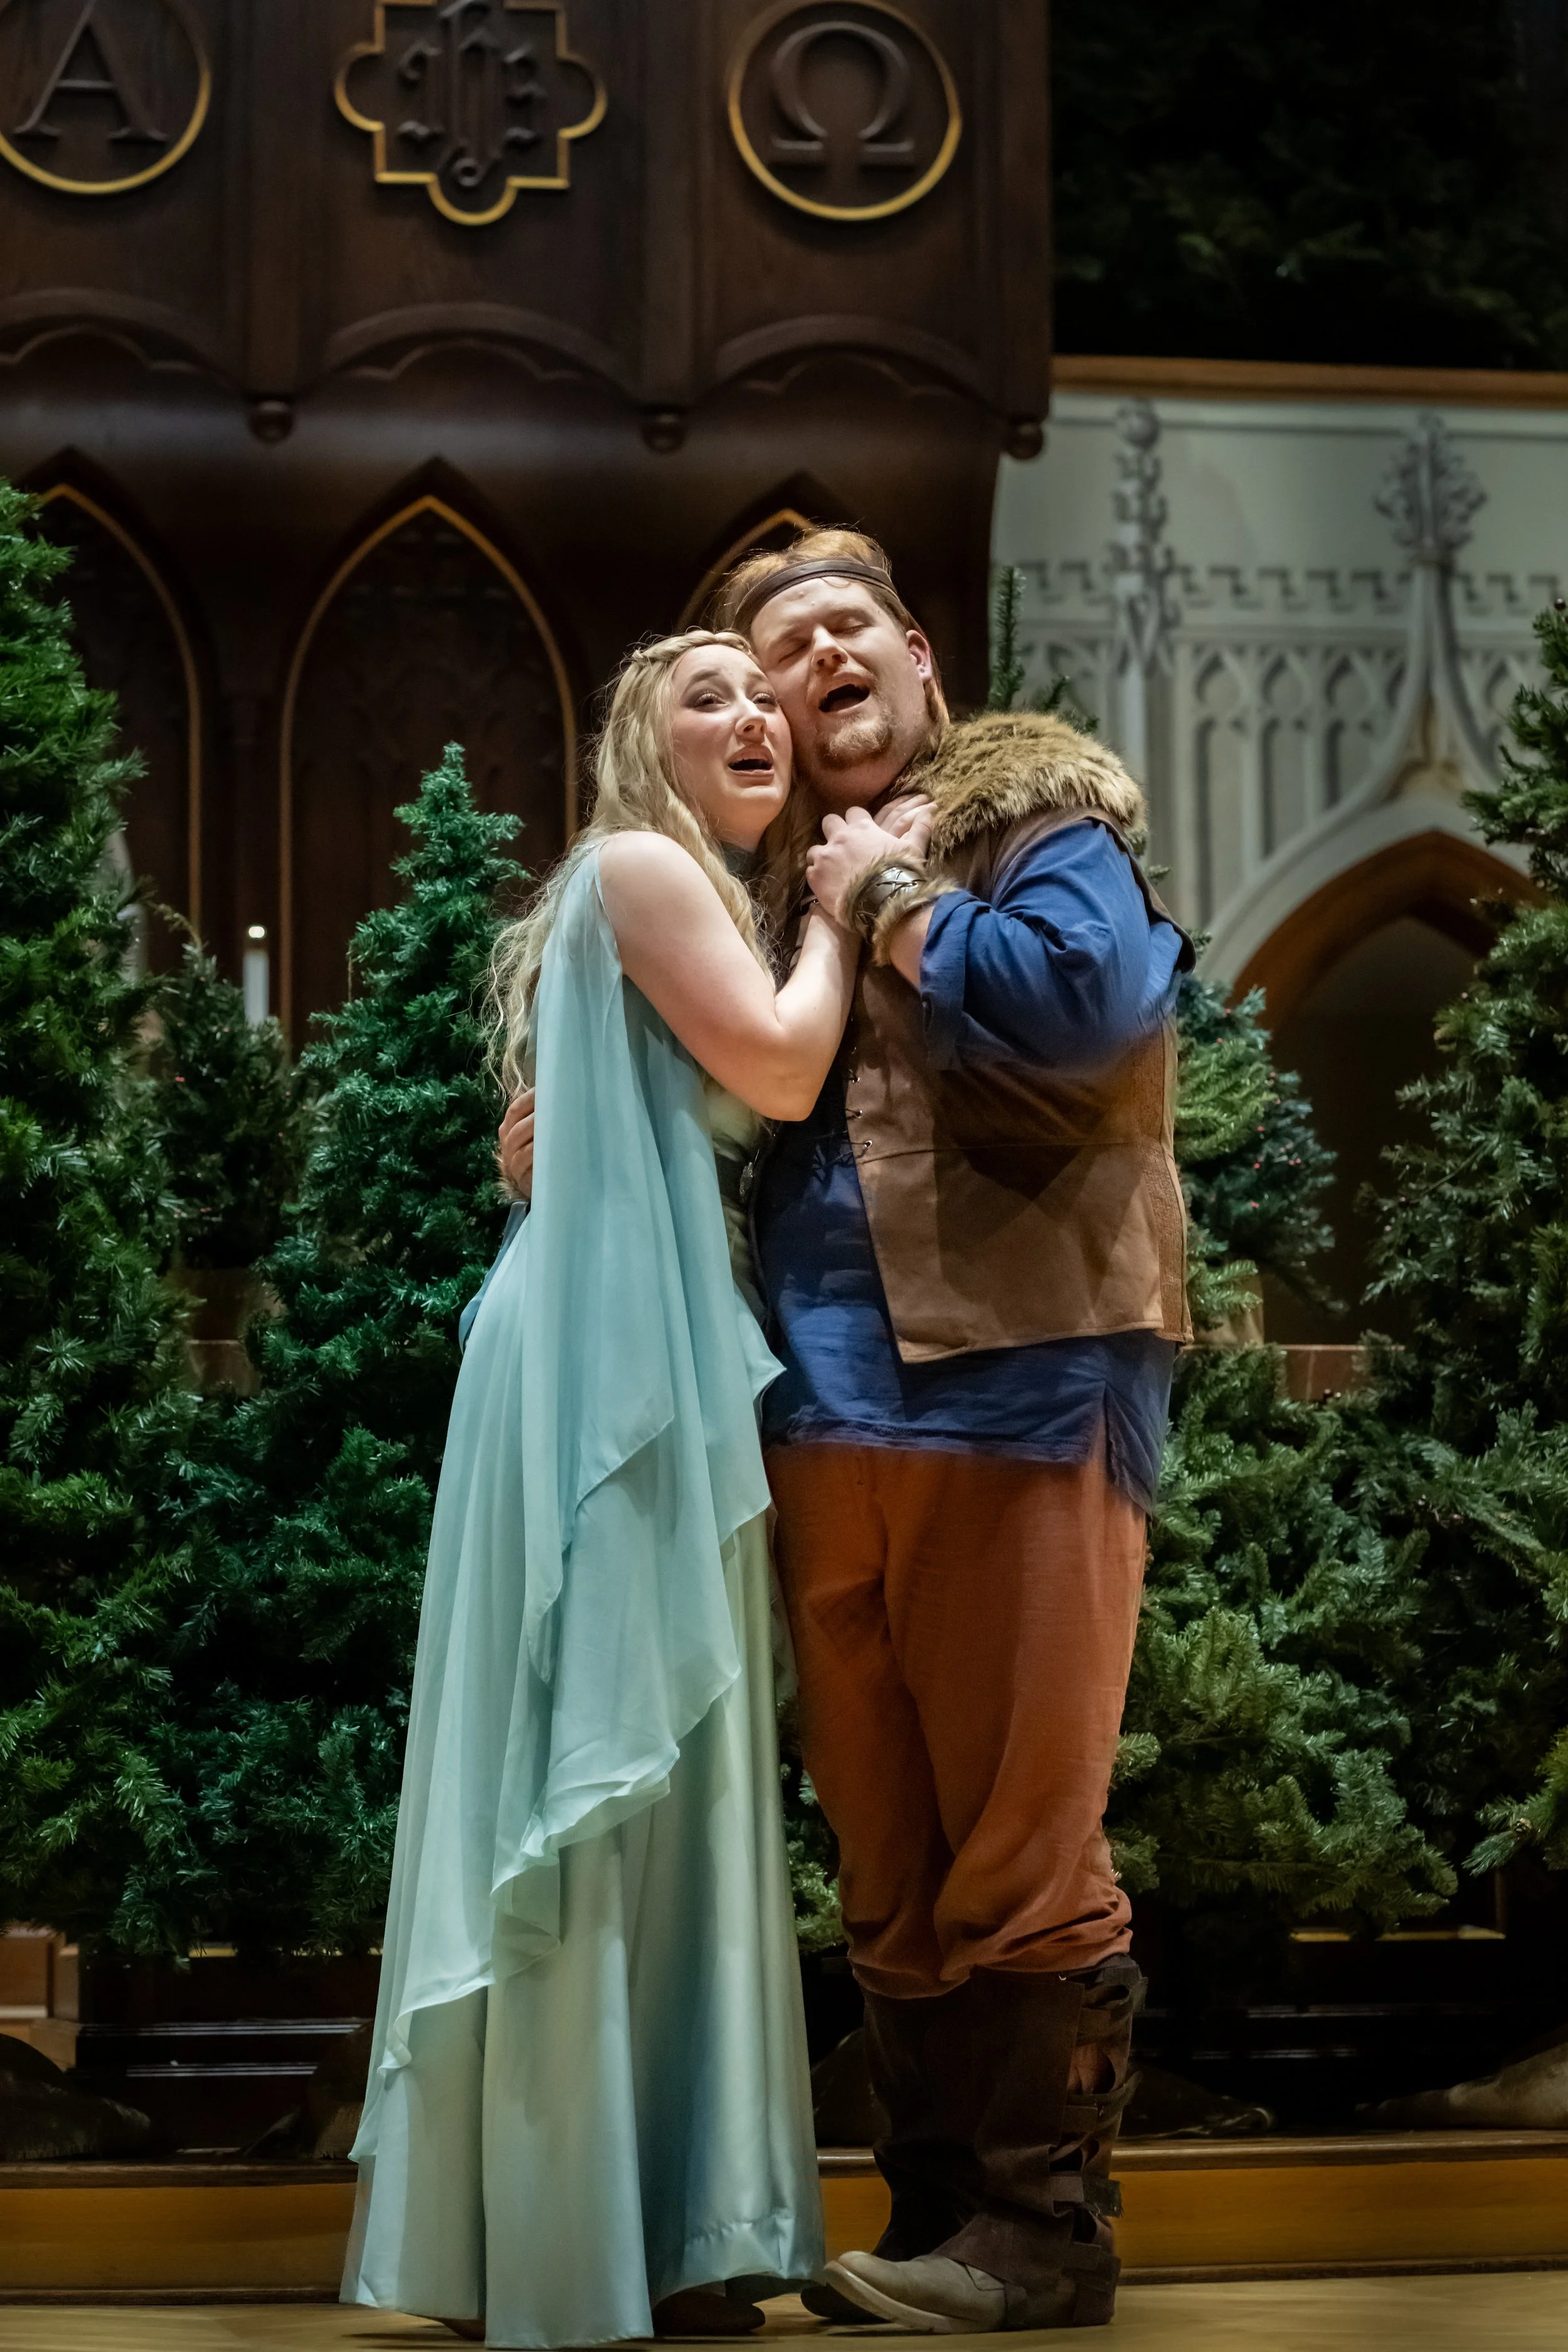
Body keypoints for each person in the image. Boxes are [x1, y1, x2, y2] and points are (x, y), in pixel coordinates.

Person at [500, 531, 1194, 2335]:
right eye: (771, 644)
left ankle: (1046, 2233)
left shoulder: (1036, 821)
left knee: (1021, 1834)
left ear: (913, 652)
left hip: (1025, 1387)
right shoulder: (766, 893)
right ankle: (934, 2216)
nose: (810, 658)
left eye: (838, 626)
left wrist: (896, 901)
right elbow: (729, 1088)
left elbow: (1093, 1012)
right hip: (816, 1413)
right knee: (883, 1840)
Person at [343, 628, 927, 2351]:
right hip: (603, 1368)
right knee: (603, 1759)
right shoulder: (640, 863)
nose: (753, 712)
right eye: (708, 696)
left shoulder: (664, 895)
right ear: (636, 744)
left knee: (644, 1772)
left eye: (761, 700)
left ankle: (629, 2216)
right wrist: (853, 898)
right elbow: (778, 1065)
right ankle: (589, 2228)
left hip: (630, 1345)